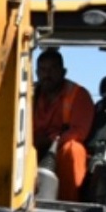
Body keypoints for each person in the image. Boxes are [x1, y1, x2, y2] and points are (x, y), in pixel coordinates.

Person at [33, 49, 95, 201]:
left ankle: (69, 203)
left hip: (59, 149)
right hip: (31, 148)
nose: (47, 75)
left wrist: (49, 141)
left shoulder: (78, 94)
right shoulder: (28, 93)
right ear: (36, 72)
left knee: (73, 149)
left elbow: (79, 131)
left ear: (63, 71)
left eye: (53, 69)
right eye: (43, 70)